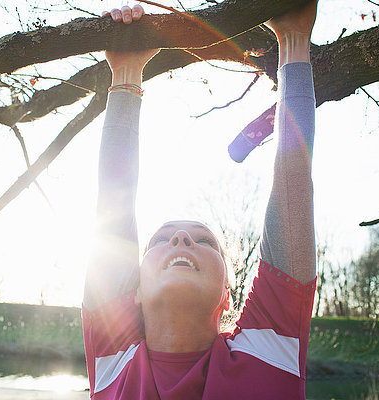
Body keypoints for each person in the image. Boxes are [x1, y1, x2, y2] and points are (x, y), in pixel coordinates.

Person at [83, 2, 318, 399]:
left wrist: (295, 38)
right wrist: (124, 73)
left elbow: (294, 182)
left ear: (227, 294)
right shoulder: (114, 359)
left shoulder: (269, 348)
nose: (181, 241)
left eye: (204, 240)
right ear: (134, 288)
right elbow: (113, 203)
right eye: (162, 239)